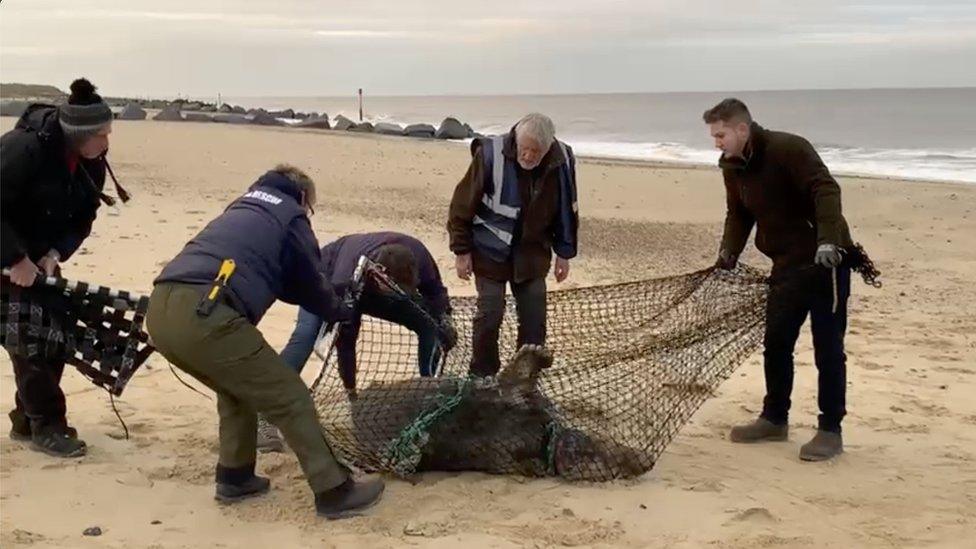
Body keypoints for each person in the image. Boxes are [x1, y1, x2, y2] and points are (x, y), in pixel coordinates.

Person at [146, 164, 384, 518]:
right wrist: (341, 308)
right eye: (310, 208)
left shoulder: (243, 208)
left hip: (161, 310)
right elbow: (311, 281)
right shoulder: (290, 217)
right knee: (289, 396)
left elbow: (282, 280)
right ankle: (334, 490)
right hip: (206, 312)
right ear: (303, 197)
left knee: (238, 388)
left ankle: (235, 475)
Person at [705, 98, 856, 461]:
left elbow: (826, 189)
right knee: (776, 343)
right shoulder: (733, 166)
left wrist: (828, 241)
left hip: (826, 265)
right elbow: (738, 214)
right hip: (786, 266)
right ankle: (775, 419)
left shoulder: (789, 148)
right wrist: (728, 254)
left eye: (721, 134)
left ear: (742, 129)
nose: (717, 142)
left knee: (828, 349)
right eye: (713, 136)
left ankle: (830, 429)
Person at [1, 78, 126, 458]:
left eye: (108, 132)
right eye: (101, 135)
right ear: (78, 134)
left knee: (55, 337)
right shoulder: (22, 149)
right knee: (32, 339)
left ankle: (27, 420)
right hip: (8, 256)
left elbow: (84, 215)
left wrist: (55, 252)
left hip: (39, 261)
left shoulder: (91, 163)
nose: (107, 142)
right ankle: (48, 427)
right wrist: (14, 259)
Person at [257, 231, 456, 452]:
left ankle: (428, 394)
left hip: (375, 287)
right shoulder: (346, 274)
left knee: (428, 324)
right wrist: (351, 390)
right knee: (305, 336)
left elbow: (436, 295)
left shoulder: (419, 256)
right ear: (381, 274)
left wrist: (444, 322)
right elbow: (346, 335)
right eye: (394, 289)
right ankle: (263, 416)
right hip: (326, 282)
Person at [447, 113, 578, 376]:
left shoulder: (561, 158)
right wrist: (461, 252)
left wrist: (564, 253)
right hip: (489, 253)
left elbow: (567, 209)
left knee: (534, 321)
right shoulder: (489, 154)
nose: (529, 156)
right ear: (516, 139)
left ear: (548, 148)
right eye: (524, 149)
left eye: (536, 152)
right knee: (489, 316)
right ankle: (482, 378)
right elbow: (460, 207)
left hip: (532, 256)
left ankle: (525, 379)